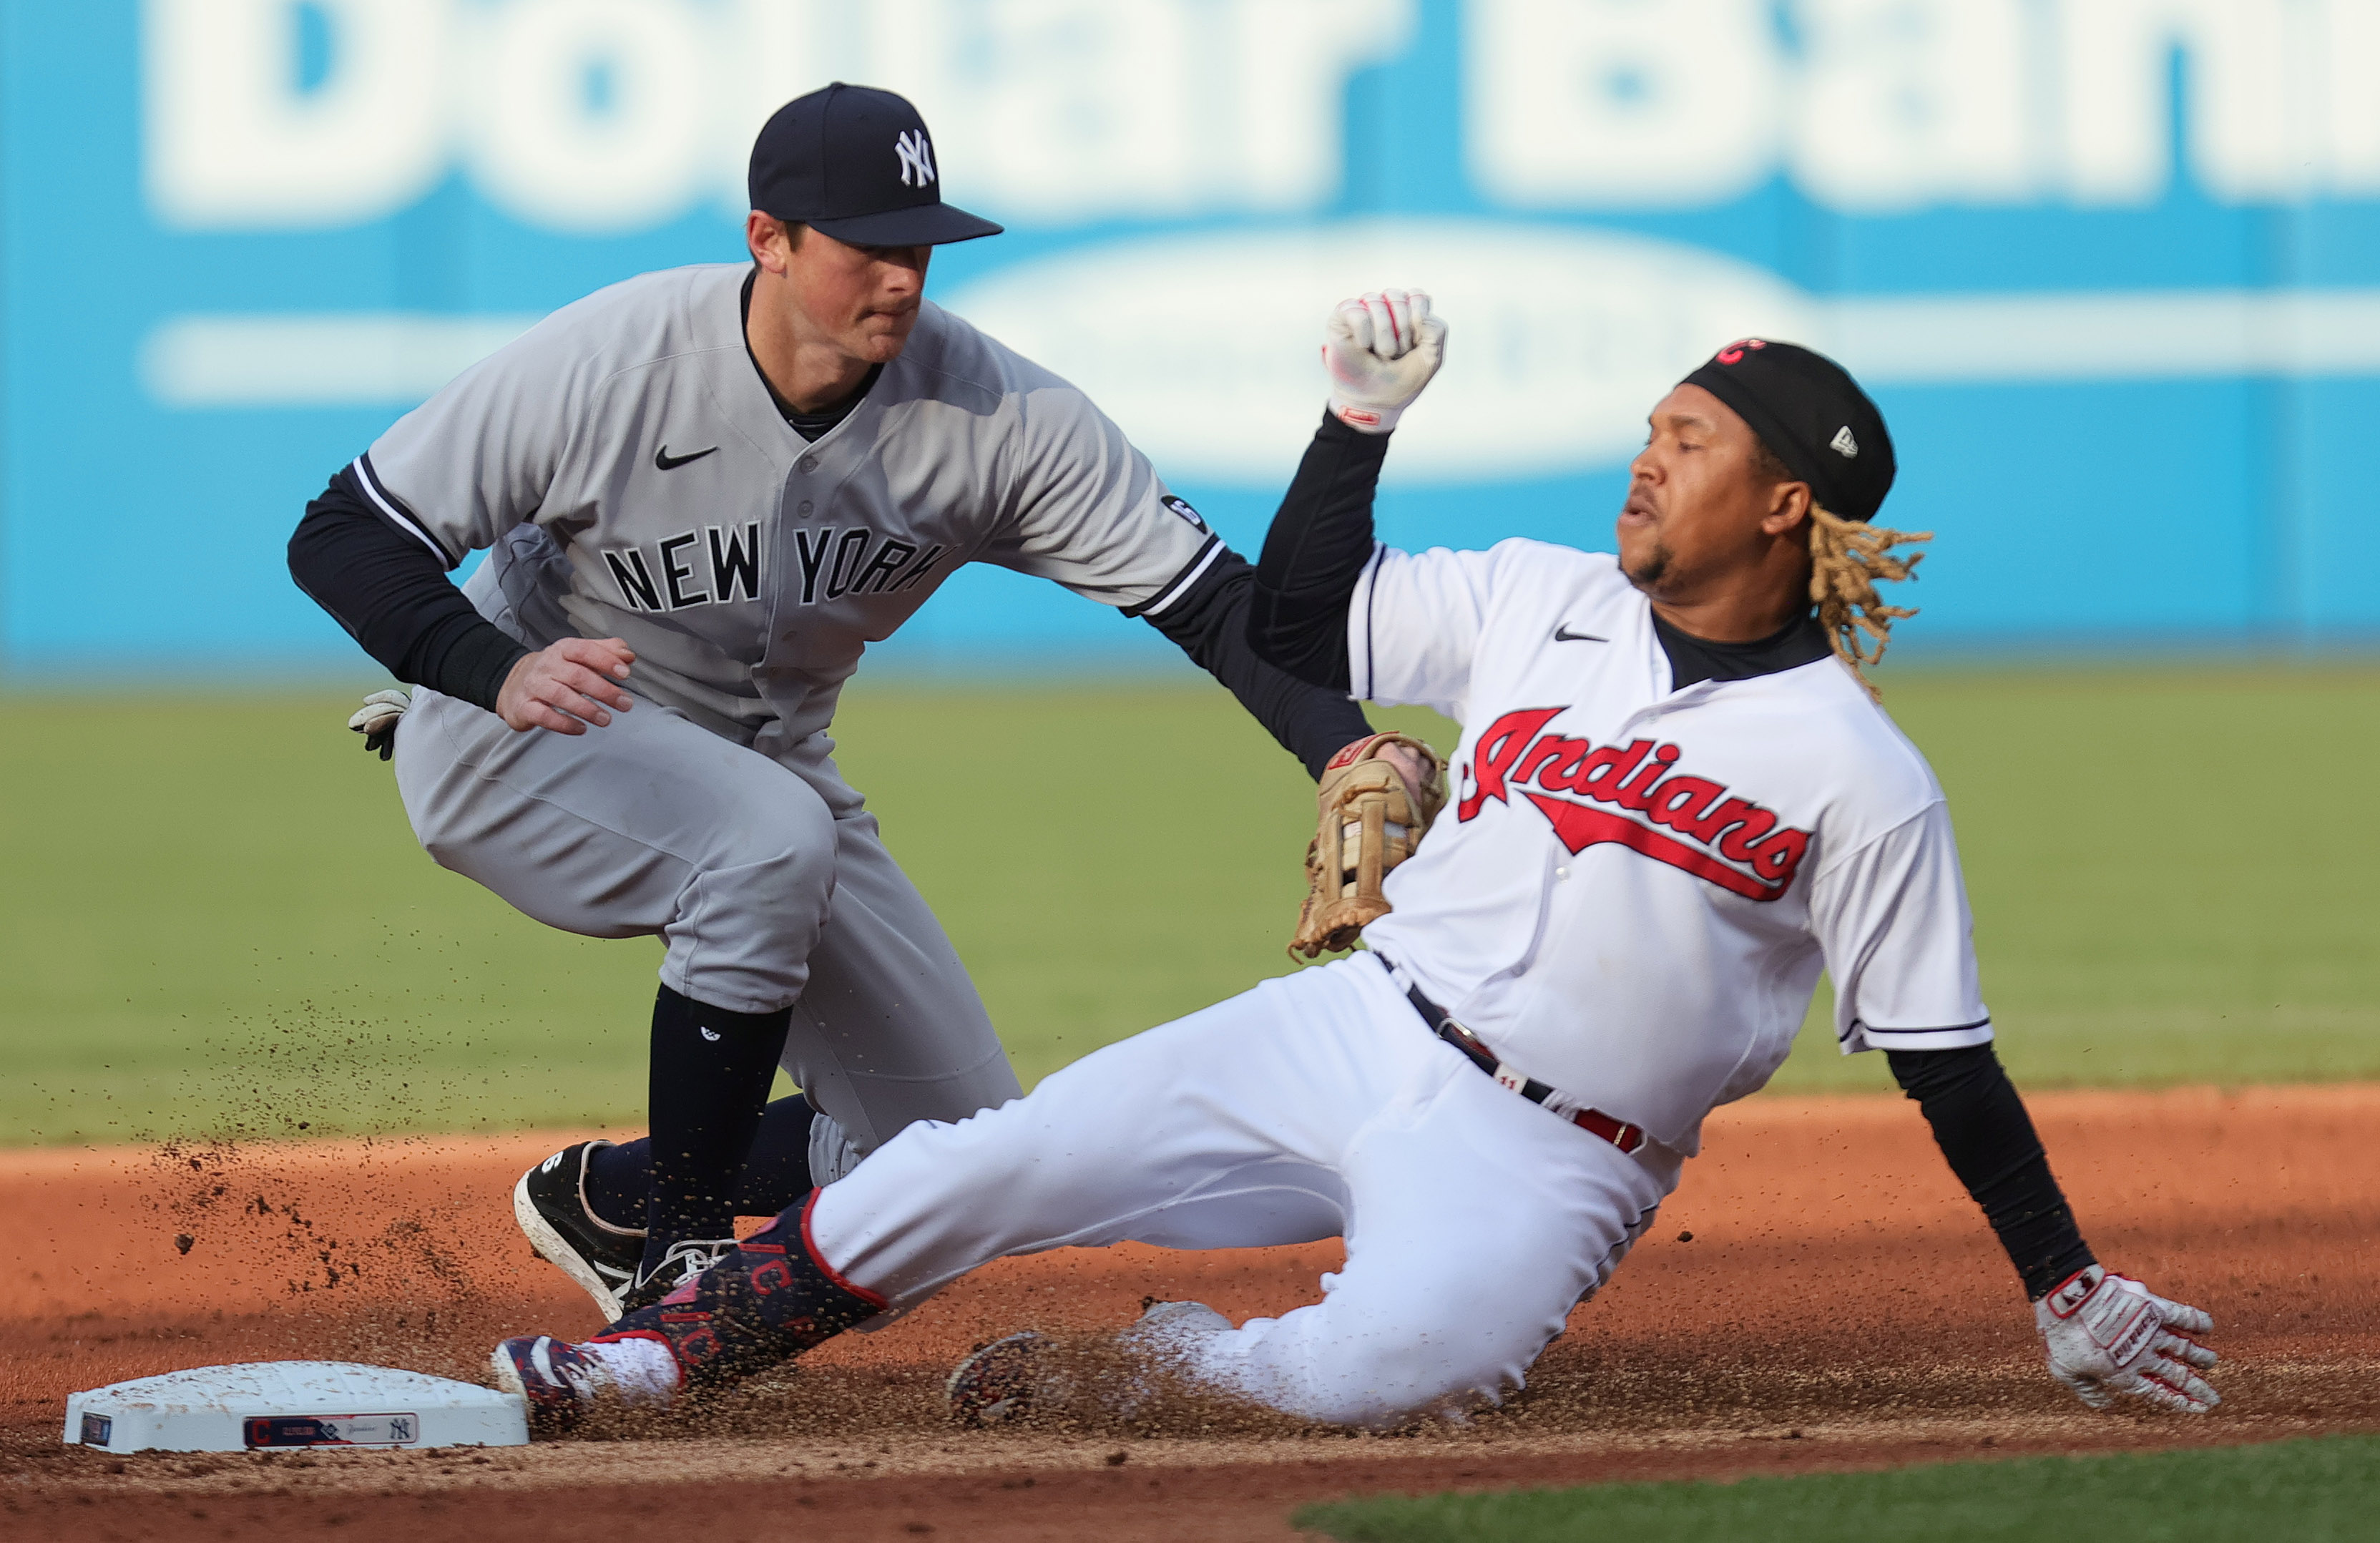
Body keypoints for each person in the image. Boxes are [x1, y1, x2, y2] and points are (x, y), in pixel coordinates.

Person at [486, 294, 2220, 1431]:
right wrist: (1352, 429)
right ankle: (654, 1354)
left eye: (1688, 443)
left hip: (1554, 1153)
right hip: (1357, 1024)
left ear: (1783, 510)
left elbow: (1941, 1057)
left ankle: (1163, 1355)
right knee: (993, 1155)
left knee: (1385, 1368)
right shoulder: (1545, 594)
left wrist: (2059, 1282)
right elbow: (1301, 614)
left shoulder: (1858, 773)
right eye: (1651, 423)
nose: (1645, 455)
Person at [287, 84, 1380, 1318]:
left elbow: (1216, 603)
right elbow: (344, 534)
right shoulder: (616, 362)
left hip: (764, 767)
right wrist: (489, 668)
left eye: (917, 245)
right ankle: (685, 1258)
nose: (902, 280)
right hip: (523, 731)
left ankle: (620, 1197)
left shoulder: (994, 416)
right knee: (765, 839)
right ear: (770, 241)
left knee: (964, 1159)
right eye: (867, 247)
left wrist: (1341, 749)